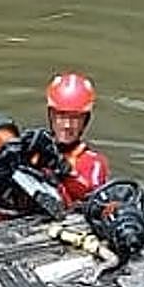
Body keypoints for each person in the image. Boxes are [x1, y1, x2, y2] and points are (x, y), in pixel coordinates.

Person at [45, 72, 109, 203]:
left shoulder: (94, 162)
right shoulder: (34, 150)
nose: (67, 125)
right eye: (61, 116)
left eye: (75, 118)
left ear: (85, 121)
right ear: (51, 116)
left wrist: (65, 173)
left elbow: (92, 195)